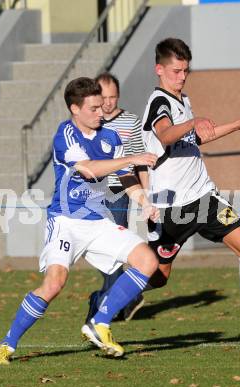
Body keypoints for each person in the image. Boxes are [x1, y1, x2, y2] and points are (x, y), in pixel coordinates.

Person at [123, 37, 240, 351]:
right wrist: (193, 121)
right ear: (159, 70)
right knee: (159, 275)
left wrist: (238, 124)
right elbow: (167, 135)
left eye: (186, 71)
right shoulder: (159, 102)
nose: (182, 76)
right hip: (172, 208)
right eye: (176, 71)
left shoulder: (184, 100)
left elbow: (193, 139)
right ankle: (121, 292)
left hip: (205, 199)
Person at [0, 77, 160, 364]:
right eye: (94, 108)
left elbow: (124, 176)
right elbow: (89, 170)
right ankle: (7, 344)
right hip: (66, 222)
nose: (101, 112)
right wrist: (132, 158)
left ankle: (100, 323)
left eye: (102, 106)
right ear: (75, 109)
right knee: (55, 283)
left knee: (147, 261)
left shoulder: (109, 137)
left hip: (97, 220)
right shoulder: (65, 136)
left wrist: (143, 201)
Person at [85, 72, 148, 323]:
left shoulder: (131, 122)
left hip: (120, 190)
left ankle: (105, 306)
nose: (108, 103)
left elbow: (139, 161)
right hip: (92, 193)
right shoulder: (91, 122)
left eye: (113, 97)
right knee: (101, 249)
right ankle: (114, 300)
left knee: (114, 249)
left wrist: (146, 195)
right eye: (104, 97)